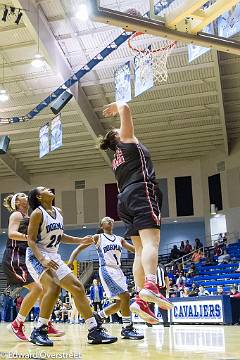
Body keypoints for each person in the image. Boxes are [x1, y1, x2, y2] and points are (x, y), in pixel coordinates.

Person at [99, 102, 173, 316]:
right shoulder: (127, 142)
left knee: (140, 250)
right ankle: (151, 285)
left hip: (124, 199)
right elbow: (125, 108)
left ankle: (141, 300)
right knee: (152, 242)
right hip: (141, 191)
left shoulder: (116, 159)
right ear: (118, 136)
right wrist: (117, 106)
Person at [26, 187, 117, 346]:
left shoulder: (58, 211)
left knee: (78, 287)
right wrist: (42, 259)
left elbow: (59, 236)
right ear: (39, 197)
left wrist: (79, 240)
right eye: (44, 189)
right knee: (53, 287)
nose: (48, 188)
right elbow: (31, 240)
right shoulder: (37, 213)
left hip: (54, 255)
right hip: (37, 256)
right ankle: (39, 330)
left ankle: (94, 330)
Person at [68, 216, 144, 340]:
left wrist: (146, 250)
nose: (109, 220)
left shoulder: (119, 239)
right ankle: (127, 328)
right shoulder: (98, 237)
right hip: (107, 269)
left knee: (120, 303)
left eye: (110, 219)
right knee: (125, 296)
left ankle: (99, 316)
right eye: (105, 219)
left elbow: (134, 249)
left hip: (118, 271)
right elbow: (79, 247)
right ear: (101, 226)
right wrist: (71, 260)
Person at [2, 192, 63, 341]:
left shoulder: (31, 216)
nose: (26, 196)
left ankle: (45, 323)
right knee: (38, 289)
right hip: (15, 257)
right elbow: (11, 233)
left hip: (26, 256)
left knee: (44, 291)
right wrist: (28, 237)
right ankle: (17, 323)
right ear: (17, 203)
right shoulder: (17, 215)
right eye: (22, 195)